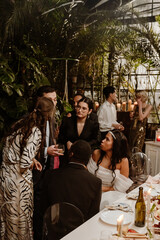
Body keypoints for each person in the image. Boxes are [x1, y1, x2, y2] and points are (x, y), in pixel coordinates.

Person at [0, 97, 56, 240]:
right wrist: (30, 161)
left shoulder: (20, 124)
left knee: (8, 220)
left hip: (5, 177)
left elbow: (11, 152)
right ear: (48, 114)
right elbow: (24, 164)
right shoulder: (35, 131)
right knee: (19, 221)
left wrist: (32, 159)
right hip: (18, 184)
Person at [37, 140, 102, 239]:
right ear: (88, 158)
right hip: (79, 235)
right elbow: (92, 217)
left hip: (52, 232)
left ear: (71, 154)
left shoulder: (50, 175)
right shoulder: (95, 182)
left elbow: (42, 209)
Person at [58, 97, 100, 166]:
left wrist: (82, 147)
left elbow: (96, 141)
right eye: (78, 107)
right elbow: (60, 137)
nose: (80, 110)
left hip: (85, 157)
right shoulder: (67, 121)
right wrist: (67, 142)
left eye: (84, 108)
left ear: (89, 111)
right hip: (67, 157)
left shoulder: (93, 125)